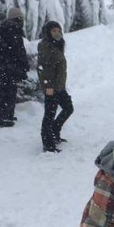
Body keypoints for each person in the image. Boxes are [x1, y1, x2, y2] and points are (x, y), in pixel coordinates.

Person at [37, 21, 73, 153]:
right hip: (52, 88)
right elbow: (43, 69)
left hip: (59, 87)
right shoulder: (46, 46)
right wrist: (48, 86)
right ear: (48, 32)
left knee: (68, 108)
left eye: (59, 31)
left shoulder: (56, 45)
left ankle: (54, 133)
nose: (57, 33)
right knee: (49, 115)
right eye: (54, 31)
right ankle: (48, 143)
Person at [0, 6, 29, 128]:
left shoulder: (3, 30)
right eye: (21, 18)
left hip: (2, 66)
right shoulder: (13, 31)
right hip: (9, 67)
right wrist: (23, 65)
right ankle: (4, 117)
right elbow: (18, 51)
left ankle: (6, 115)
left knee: (6, 91)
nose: (22, 21)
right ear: (17, 19)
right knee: (9, 91)